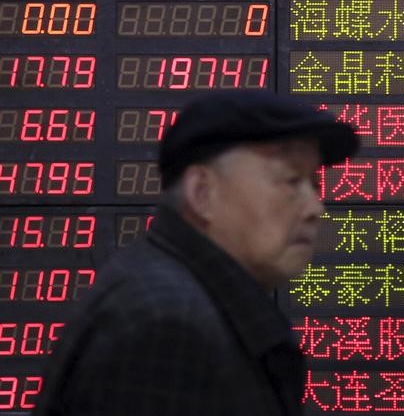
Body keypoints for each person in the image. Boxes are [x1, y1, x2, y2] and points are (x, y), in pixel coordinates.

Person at [33, 92, 359, 416]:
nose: (316, 207)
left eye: (314, 183)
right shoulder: (166, 328)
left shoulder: (176, 297)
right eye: (291, 180)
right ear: (202, 193)